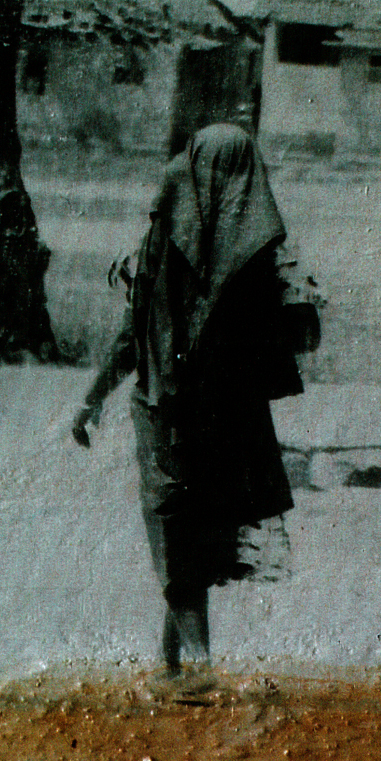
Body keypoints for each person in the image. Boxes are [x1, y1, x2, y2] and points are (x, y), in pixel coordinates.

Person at [73, 123, 319, 690]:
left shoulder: (165, 240)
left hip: (168, 412)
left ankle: (200, 669)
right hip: (233, 420)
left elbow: (134, 333)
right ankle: (172, 665)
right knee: (195, 535)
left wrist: (91, 398)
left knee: (174, 532)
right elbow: (301, 336)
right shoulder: (262, 253)